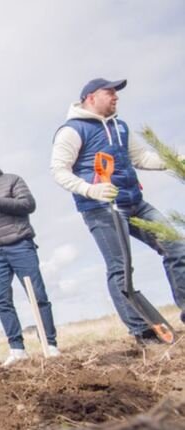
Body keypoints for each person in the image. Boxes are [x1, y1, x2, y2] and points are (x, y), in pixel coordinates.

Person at [51, 78, 185, 345]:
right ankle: (144, 332)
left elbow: (141, 158)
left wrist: (173, 161)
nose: (116, 97)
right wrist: (91, 189)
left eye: (116, 93)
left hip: (134, 201)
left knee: (177, 247)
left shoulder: (120, 127)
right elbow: (59, 170)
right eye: (109, 92)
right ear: (90, 97)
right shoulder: (72, 130)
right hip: (101, 207)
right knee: (120, 267)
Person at [0, 153, 60, 366]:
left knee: (37, 295)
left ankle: (49, 344)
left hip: (19, 244)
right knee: (0, 299)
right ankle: (17, 349)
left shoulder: (12, 180)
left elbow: (28, 204)